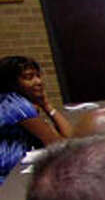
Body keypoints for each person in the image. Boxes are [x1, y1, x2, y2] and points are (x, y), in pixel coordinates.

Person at [0, 55, 73, 183]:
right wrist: (46, 106)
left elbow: (68, 138)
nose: (38, 81)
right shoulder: (16, 105)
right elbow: (60, 146)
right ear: (12, 83)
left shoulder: (9, 101)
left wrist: (46, 105)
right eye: (29, 77)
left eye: (38, 76)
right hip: (8, 177)